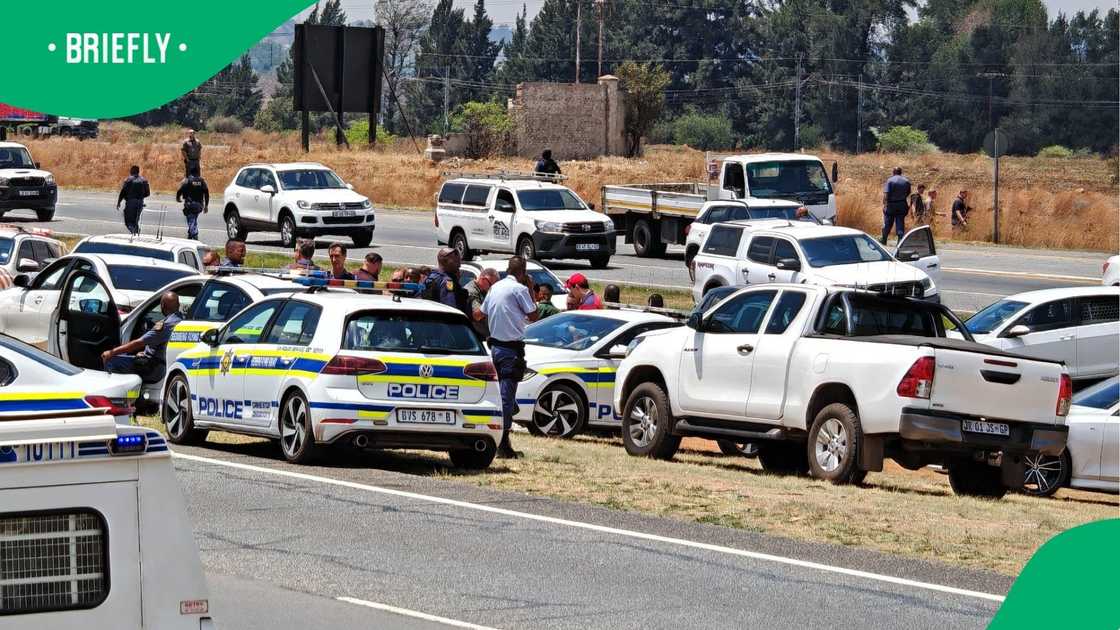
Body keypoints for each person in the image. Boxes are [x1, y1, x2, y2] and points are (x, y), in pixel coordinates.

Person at [480, 256, 540, 459]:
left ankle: (497, 435)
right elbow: (533, 316)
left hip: (494, 347)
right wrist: (531, 289)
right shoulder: (520, 290)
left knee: (500, 396)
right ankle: (503, 443)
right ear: (523, 273)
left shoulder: (495, 288)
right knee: (506, 397)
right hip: (510, 350)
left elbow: (481, 313)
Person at [102, 292, 182, 385]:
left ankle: (119, 396)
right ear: (178, 305)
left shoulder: (166, 325)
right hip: (160, 364)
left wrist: (111, 352)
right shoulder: (181, 320)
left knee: (111, 360)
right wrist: (145, 353)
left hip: (154, 368)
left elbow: (139, 343)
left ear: (162, 305)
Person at [422, 248, 469, 317]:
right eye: (456, 261)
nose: (459, 265)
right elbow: (450, 309)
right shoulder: (447, 281)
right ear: (445, 262)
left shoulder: (432, 276)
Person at [176, 166, 209, 240]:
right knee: (193, 219)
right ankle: (190, 234)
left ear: (191, 172)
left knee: (191, 220)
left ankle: (194, 234)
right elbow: (206, 193)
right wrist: (206, 205)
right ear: (198, 172)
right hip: (199, 205)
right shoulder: (202, 181)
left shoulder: (188, 180)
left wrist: (178, 197)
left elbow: (180, 190)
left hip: (190, 205)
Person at [464, 268, 499, 337]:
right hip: (477, 336)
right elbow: (477, 315)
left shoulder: (483, 290)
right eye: (491, 285)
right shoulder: (471, 291)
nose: (492, 288)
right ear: (483, 279)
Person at [116, 165, 150, 235]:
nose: (130, 171)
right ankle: (136, 233)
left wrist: (119, 202)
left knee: (128, 221)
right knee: (135, 220)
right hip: (140, 203)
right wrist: (140, 197)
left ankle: (134, 232)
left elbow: (123, 192)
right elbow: (148, 193)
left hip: (131, 202)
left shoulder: (128, 180)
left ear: (133, 171)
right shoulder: (144, 180)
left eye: (131, 170)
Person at [881, 167, 911, 245]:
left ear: (893, 172)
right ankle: (900, 241)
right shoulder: (906, 181)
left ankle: (884, 240)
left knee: (888, 222)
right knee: (900, 222)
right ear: (901, 172)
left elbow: (886, 194)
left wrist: (885, 204)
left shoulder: (890, 180)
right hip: (902, 204)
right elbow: (908, 193)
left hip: (891, 204)